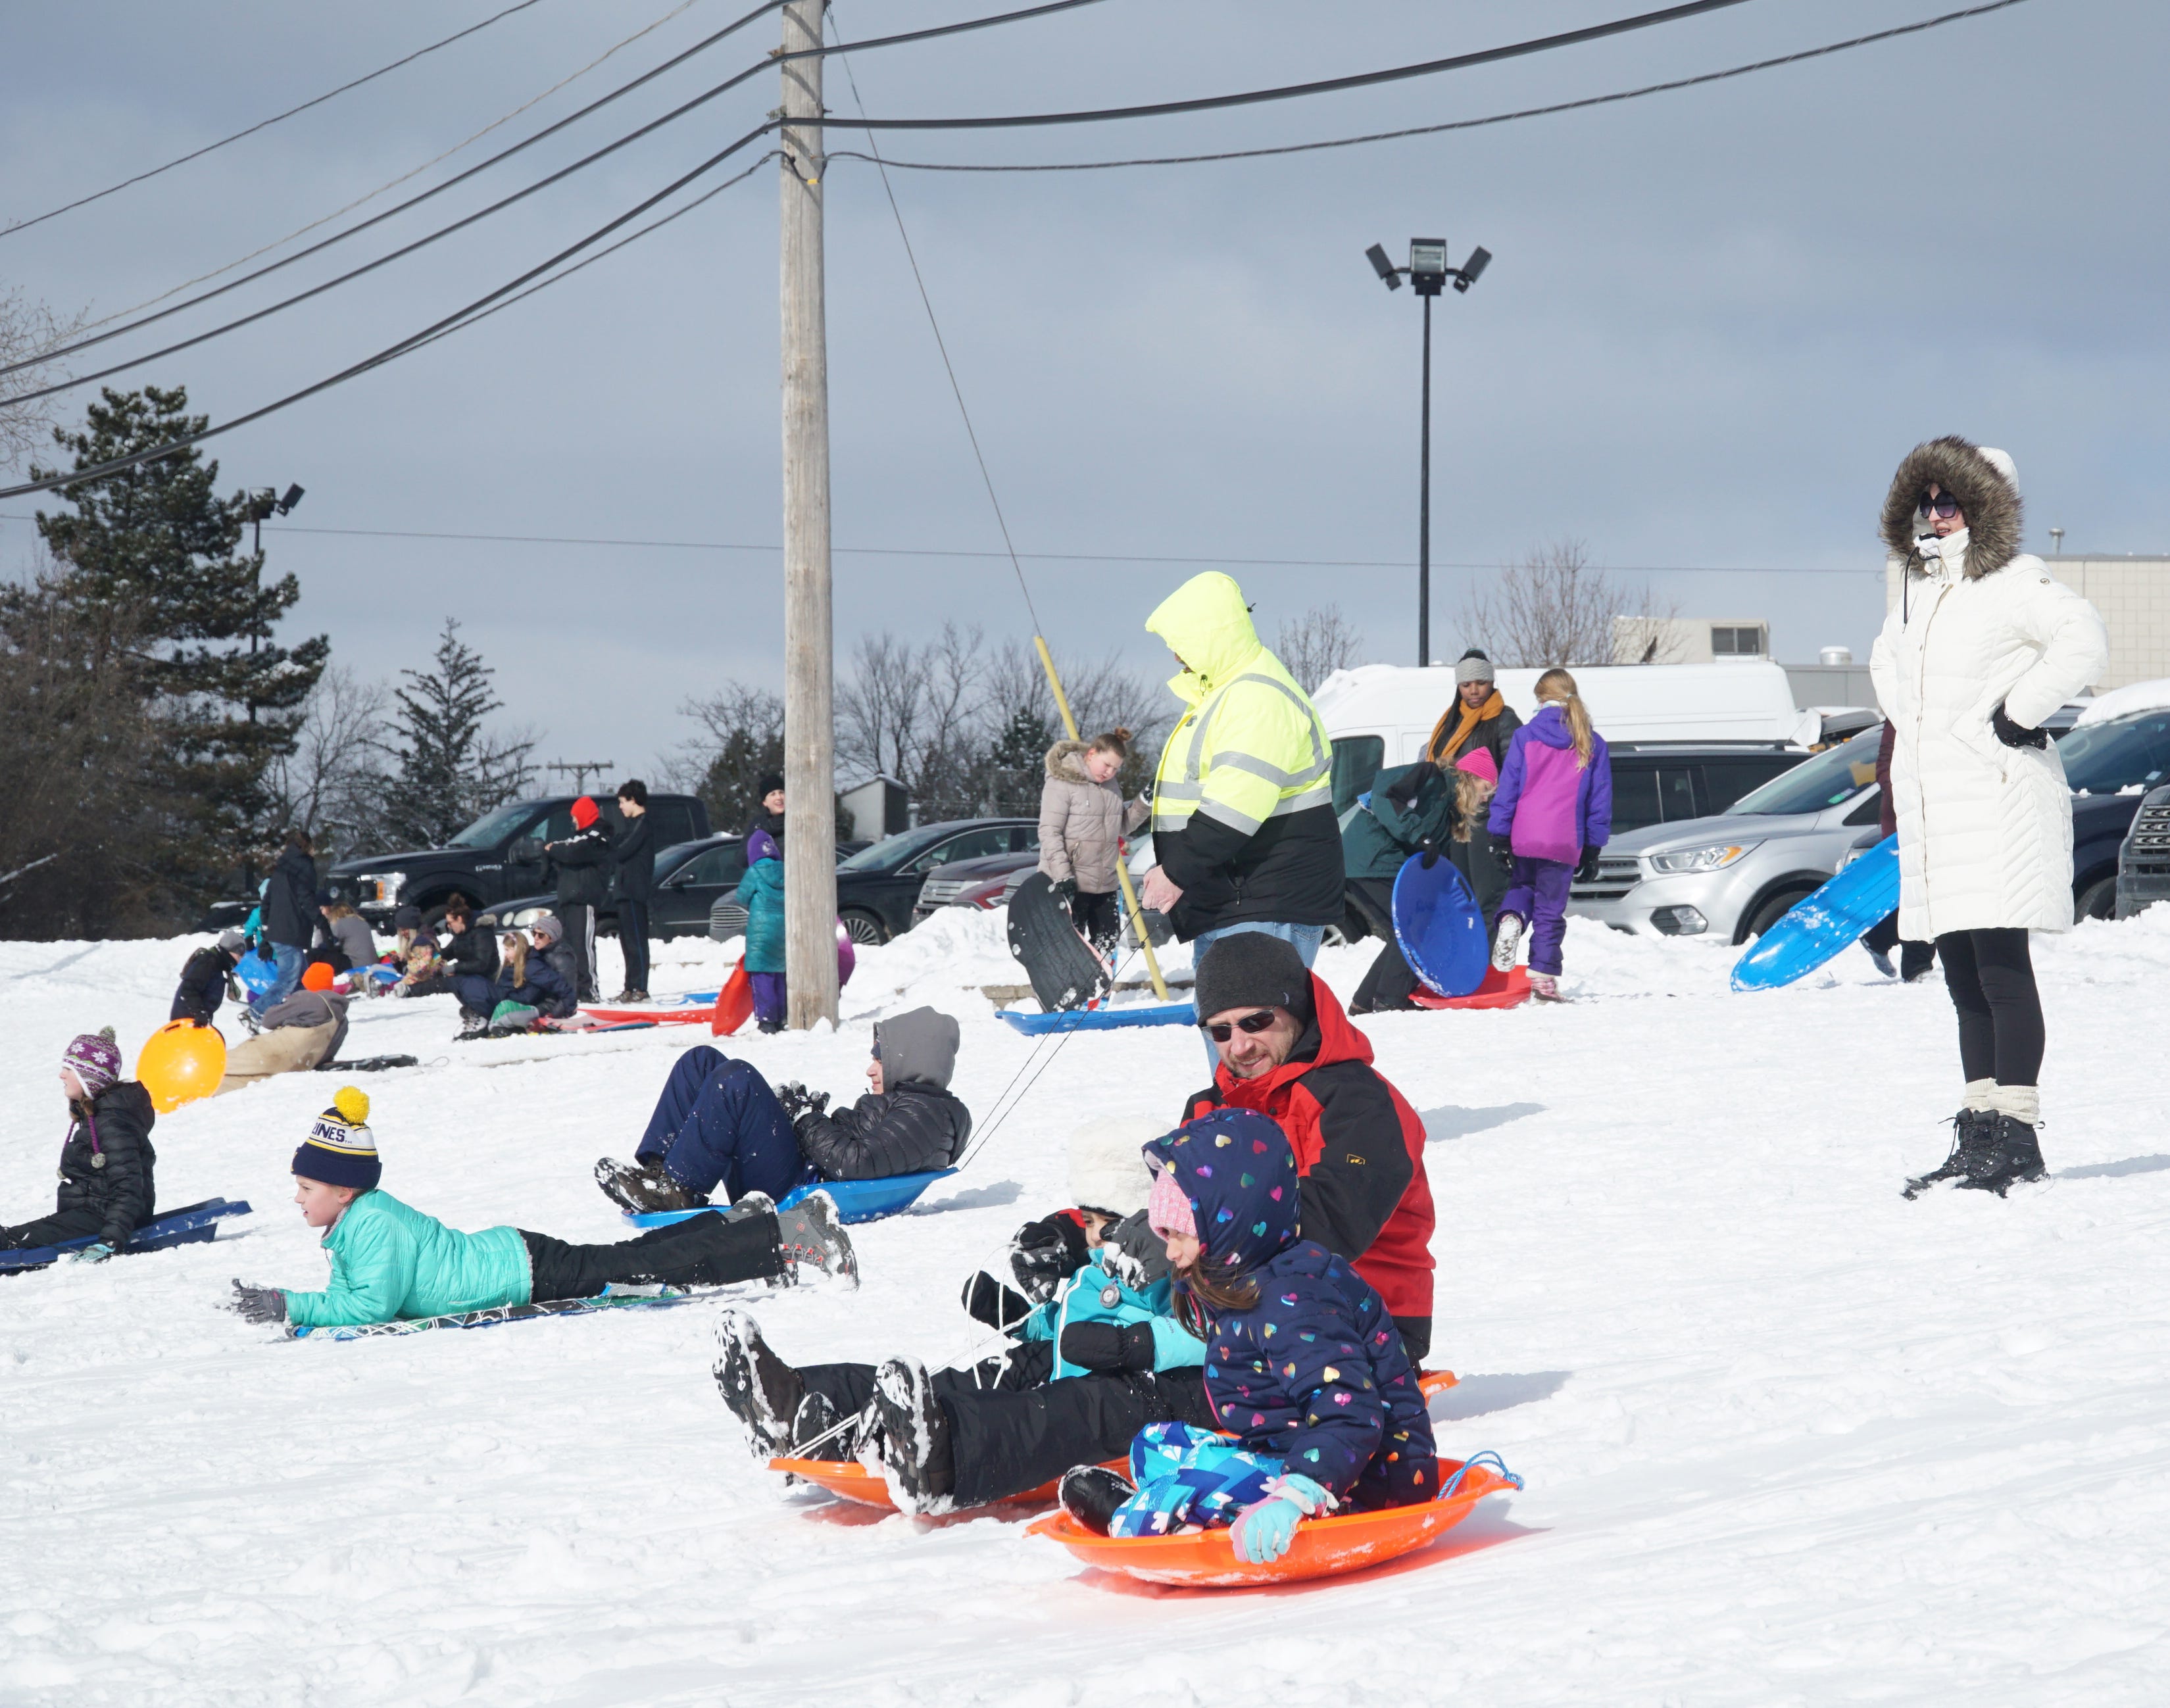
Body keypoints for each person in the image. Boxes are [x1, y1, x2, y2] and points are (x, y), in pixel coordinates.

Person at [712, 1117, 1218, 1513]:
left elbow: (1205, 1326)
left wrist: (1137, 1341)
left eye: (1100, 1224)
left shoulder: (1174, 1264)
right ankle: (805, 1400)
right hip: (1063, 1359)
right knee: (971, 1378)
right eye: (1086, 1221)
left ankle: (936, 1451)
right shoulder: (1097, 1265)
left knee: (1040, 1414)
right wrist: (1019, 1317)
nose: (1088, 1236)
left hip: (1130, 1379)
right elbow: (1063, 1320)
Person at [1870, 439, 2109, 1198]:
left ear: (1984, 505)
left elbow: (2081, 638)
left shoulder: (2011, 579)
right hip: (1941, 807)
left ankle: (2015, 1134)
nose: (1935, 516)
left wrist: (2018, 712)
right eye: (1926, 501)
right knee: (1961, 977)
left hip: (1999, 799)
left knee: (2002, 970)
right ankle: (1979, 1127)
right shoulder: (1914, 586)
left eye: (1950, 502)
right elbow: (1887, 659)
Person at [1054, 1110, 1440, 1553]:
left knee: (1202, 1478)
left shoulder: (1294, 1301)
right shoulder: (1245, 1278)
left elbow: (1349, 1414)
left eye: (1181, 1234)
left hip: (1364, 1482)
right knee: (1154, 1442)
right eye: (1165, 1234)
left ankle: (1144, 1522)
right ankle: (1178, 1507)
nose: (1172, 1251)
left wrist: (1296, 1495)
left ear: (1227, 1226)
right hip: (1293, 1452)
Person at [224, 1089, 858, 1331]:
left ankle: (794, 1237)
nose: (299, 1197)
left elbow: (371, 1308)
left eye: (307, 1186)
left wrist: (292, 1305)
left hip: (521, 1273)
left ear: (343, 1189)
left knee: (651, 1267)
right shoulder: (358, 1220)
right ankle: (742, 1222)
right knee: (638, 1257)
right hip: (515, 1256)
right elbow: (357, 1290)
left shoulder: (374, 1224)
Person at [1177, 931, 1437, 1359]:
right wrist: (1089, 1231)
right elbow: (1164, 1208)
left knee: (1109, 1402)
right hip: (1239, 1323)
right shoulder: (1208, 1107)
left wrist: (1203, 1226)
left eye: (1255, 1022)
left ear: (1294, 1008)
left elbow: (1333, 1222)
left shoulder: (1359, 1101)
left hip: (1365, 1326)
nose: (1239, 1045)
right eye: (1220, 1031)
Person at [1137, 572, 1344, 978]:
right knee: (1234, 1036)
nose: (1177, 658)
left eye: (1181, 646)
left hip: (1266, 899)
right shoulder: (1228, 694)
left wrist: (1177, 871)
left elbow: (1235, 804)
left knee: (1255, 1039)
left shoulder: (1257, 696)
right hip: (1236, 898)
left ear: (1208, 636)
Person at [592, 1008, 971, 1215]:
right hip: (802, 1169)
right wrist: (802, 1113)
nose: (871, 1069)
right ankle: (661, 1175)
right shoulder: (909, 1103)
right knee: (701, 1063)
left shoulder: (928, 1115)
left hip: (804, 1189)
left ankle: (677, 1190)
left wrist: (806, 1118)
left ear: (912, 1059)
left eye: (881, 1060)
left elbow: (856, 1163)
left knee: (736, 1080)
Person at [1487, 668, 1612, 1002]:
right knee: (1549, 910)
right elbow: (1599, 801)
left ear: (1541, 699)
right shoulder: (1592, 742)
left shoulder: (1525, 737)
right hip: (1564, 838)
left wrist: (1499, 834)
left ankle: (1512, 917)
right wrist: (1593, 847)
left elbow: (1509, 788)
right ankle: (1543, 982)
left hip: (1525, 833)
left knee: (1522, 888)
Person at [1, 1031, 155, 1260]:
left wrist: (109, 1243)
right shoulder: (97, 1115)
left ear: (89, 1078)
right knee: (13, 1237)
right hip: (92, 1213)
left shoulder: (111, 1123)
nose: (61, 1075)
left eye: (69, 1069)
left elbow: (128, 1188)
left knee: (12, 1241)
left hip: (106, 1219)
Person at [1341, 756, 1459, 1014]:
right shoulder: (1429, 776)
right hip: (1372, 858)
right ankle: (1390, 999)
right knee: (1414, 927)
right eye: (1487, 787)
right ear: (1471, 778)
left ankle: (1363, 1002)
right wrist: (1420, 837)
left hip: (1370, 862)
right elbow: (1385, 795)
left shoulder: (1448, 805)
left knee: (1402, 933)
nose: (1488, 796)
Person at [1417, 648, 1523, 925]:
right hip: (1455, 819)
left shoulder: (1504, 719)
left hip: (1485, 818)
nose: (1474, 691)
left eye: (1481, 683)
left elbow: (1516, 772)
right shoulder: (1451, 722)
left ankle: (1487, 964)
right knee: (1461, 897)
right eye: (1466, 685)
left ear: (1492, 682)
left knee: (1487, 897)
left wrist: (1494, 806)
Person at [1039, 728, 1150, 956]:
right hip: (1071, 883)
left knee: (1107, 945)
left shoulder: (1111, 788)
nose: (1110, 772)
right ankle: (1068, 991)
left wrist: (1143, 804)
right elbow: (1049, 831)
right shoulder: (1062, 782)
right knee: (1070, 951)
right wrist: (1062, 876)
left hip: (1104, 884)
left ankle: (1100, 991)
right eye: (1106, 765)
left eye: (1116, 769)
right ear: (1091, 754)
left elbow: (1121, 826)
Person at [1860, 720, 1938, 983]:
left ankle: (1879, 938)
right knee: (1924, 892)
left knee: (1928, 892)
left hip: (1937, 815)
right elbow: (1885, 763)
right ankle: (1917, 967)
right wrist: (1901, 794)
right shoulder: (1903, 708)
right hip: (1906, 818)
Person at [455, 919, 578, 1037]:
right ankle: (483, 1016)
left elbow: (566, 990)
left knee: (480, 989)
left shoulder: (559, 960)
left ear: (552, 937)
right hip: (530, 1001)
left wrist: (553, 1017)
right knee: (472, 984)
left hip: (542, 1007)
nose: (535, 938)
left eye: (540, 935)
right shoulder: (535, 954)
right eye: (534, 933)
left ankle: (488, 1023)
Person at [219, 990, 349, 1092]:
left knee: (219, 1066)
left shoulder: (309, 999)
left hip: (269, 1050)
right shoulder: (342, 1022)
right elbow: (325, 1057)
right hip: (292, 1065)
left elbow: (269, 1020)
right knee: (240, 1082)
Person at [546, 796, 610, 1004]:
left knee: (583, 946)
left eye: (575, 817)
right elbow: (565, 849)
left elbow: (573, 851)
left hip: (584, 899)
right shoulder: (576, 838)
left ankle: (589, 990)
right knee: (568, 947)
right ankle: (572, 989)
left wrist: (553, 850)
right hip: (568, 899)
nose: (572, 822)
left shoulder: (597, 836)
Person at [258, 829, 323, 1008]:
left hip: (280, 933)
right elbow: (306, 900)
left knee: (302, 981)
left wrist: (267, 933)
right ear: (308, 846)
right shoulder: (305, 868)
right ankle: (256, 1013)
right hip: (291, 934)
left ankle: (303, 1013)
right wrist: (322, 923)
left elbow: (266, 904)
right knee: (287, 982)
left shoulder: (281, 868)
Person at [732, 829, 786, 1033]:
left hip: (761, 931)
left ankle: (766, 1020)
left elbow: (741, 897)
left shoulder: (754, 872)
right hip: (782, 930)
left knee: (762, 975)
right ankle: (781, 1017)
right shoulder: (784, 870)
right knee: (779, 973)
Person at [610, 780, 656, 1004]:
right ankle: (629, 987)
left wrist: (612, 847)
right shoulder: (630, 825)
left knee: (637, 941)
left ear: (633, 800)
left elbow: (622, 850)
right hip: (624, 892)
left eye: (622, 802)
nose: (620, 807)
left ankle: (641, 987)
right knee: (627, 942)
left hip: (635, 891)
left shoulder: (644, 824)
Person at [171, 929, 247, 1025]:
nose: (239, 961)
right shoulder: (208, 962)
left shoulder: (219, 965)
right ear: (229, 950)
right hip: (187, 1020)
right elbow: (188, 989)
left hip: (197, 1020)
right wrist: (199, 1013)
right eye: (239, 956)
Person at [437, 896, 499, 996]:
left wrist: (454, 968)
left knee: (446, 984)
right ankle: (409, 989)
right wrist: (432, 959)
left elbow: (481, 964)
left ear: (460, 919)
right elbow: (450, 951)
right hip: (466, 975)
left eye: (450, 923)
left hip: (485, 978)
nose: (448, 926)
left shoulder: (482, 932)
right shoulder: (460, 933)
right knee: (439, 981)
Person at [320, 900, 376, 974]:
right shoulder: (363, 922)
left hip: (356, 965)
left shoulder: (340, 923)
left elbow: (328, 941)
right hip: (372, 963)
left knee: (324, 955)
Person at [747, 772, 786, 846]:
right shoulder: (758, 826)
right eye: (773, 794)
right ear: (765, 802)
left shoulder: (797, 820)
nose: (779, 797)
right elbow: (743, 855)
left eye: (781, 792)